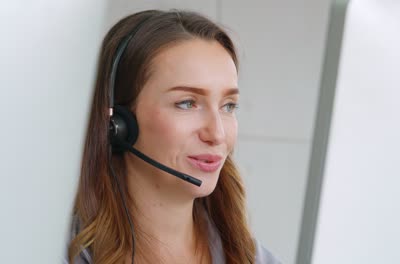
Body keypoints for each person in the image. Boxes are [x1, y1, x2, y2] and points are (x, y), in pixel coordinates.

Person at [66, 9, 280, 264]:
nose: (217, 134)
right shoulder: (48, 250)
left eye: (228, 106)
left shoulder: (252, 258)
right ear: (118, 123)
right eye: (187, 103)